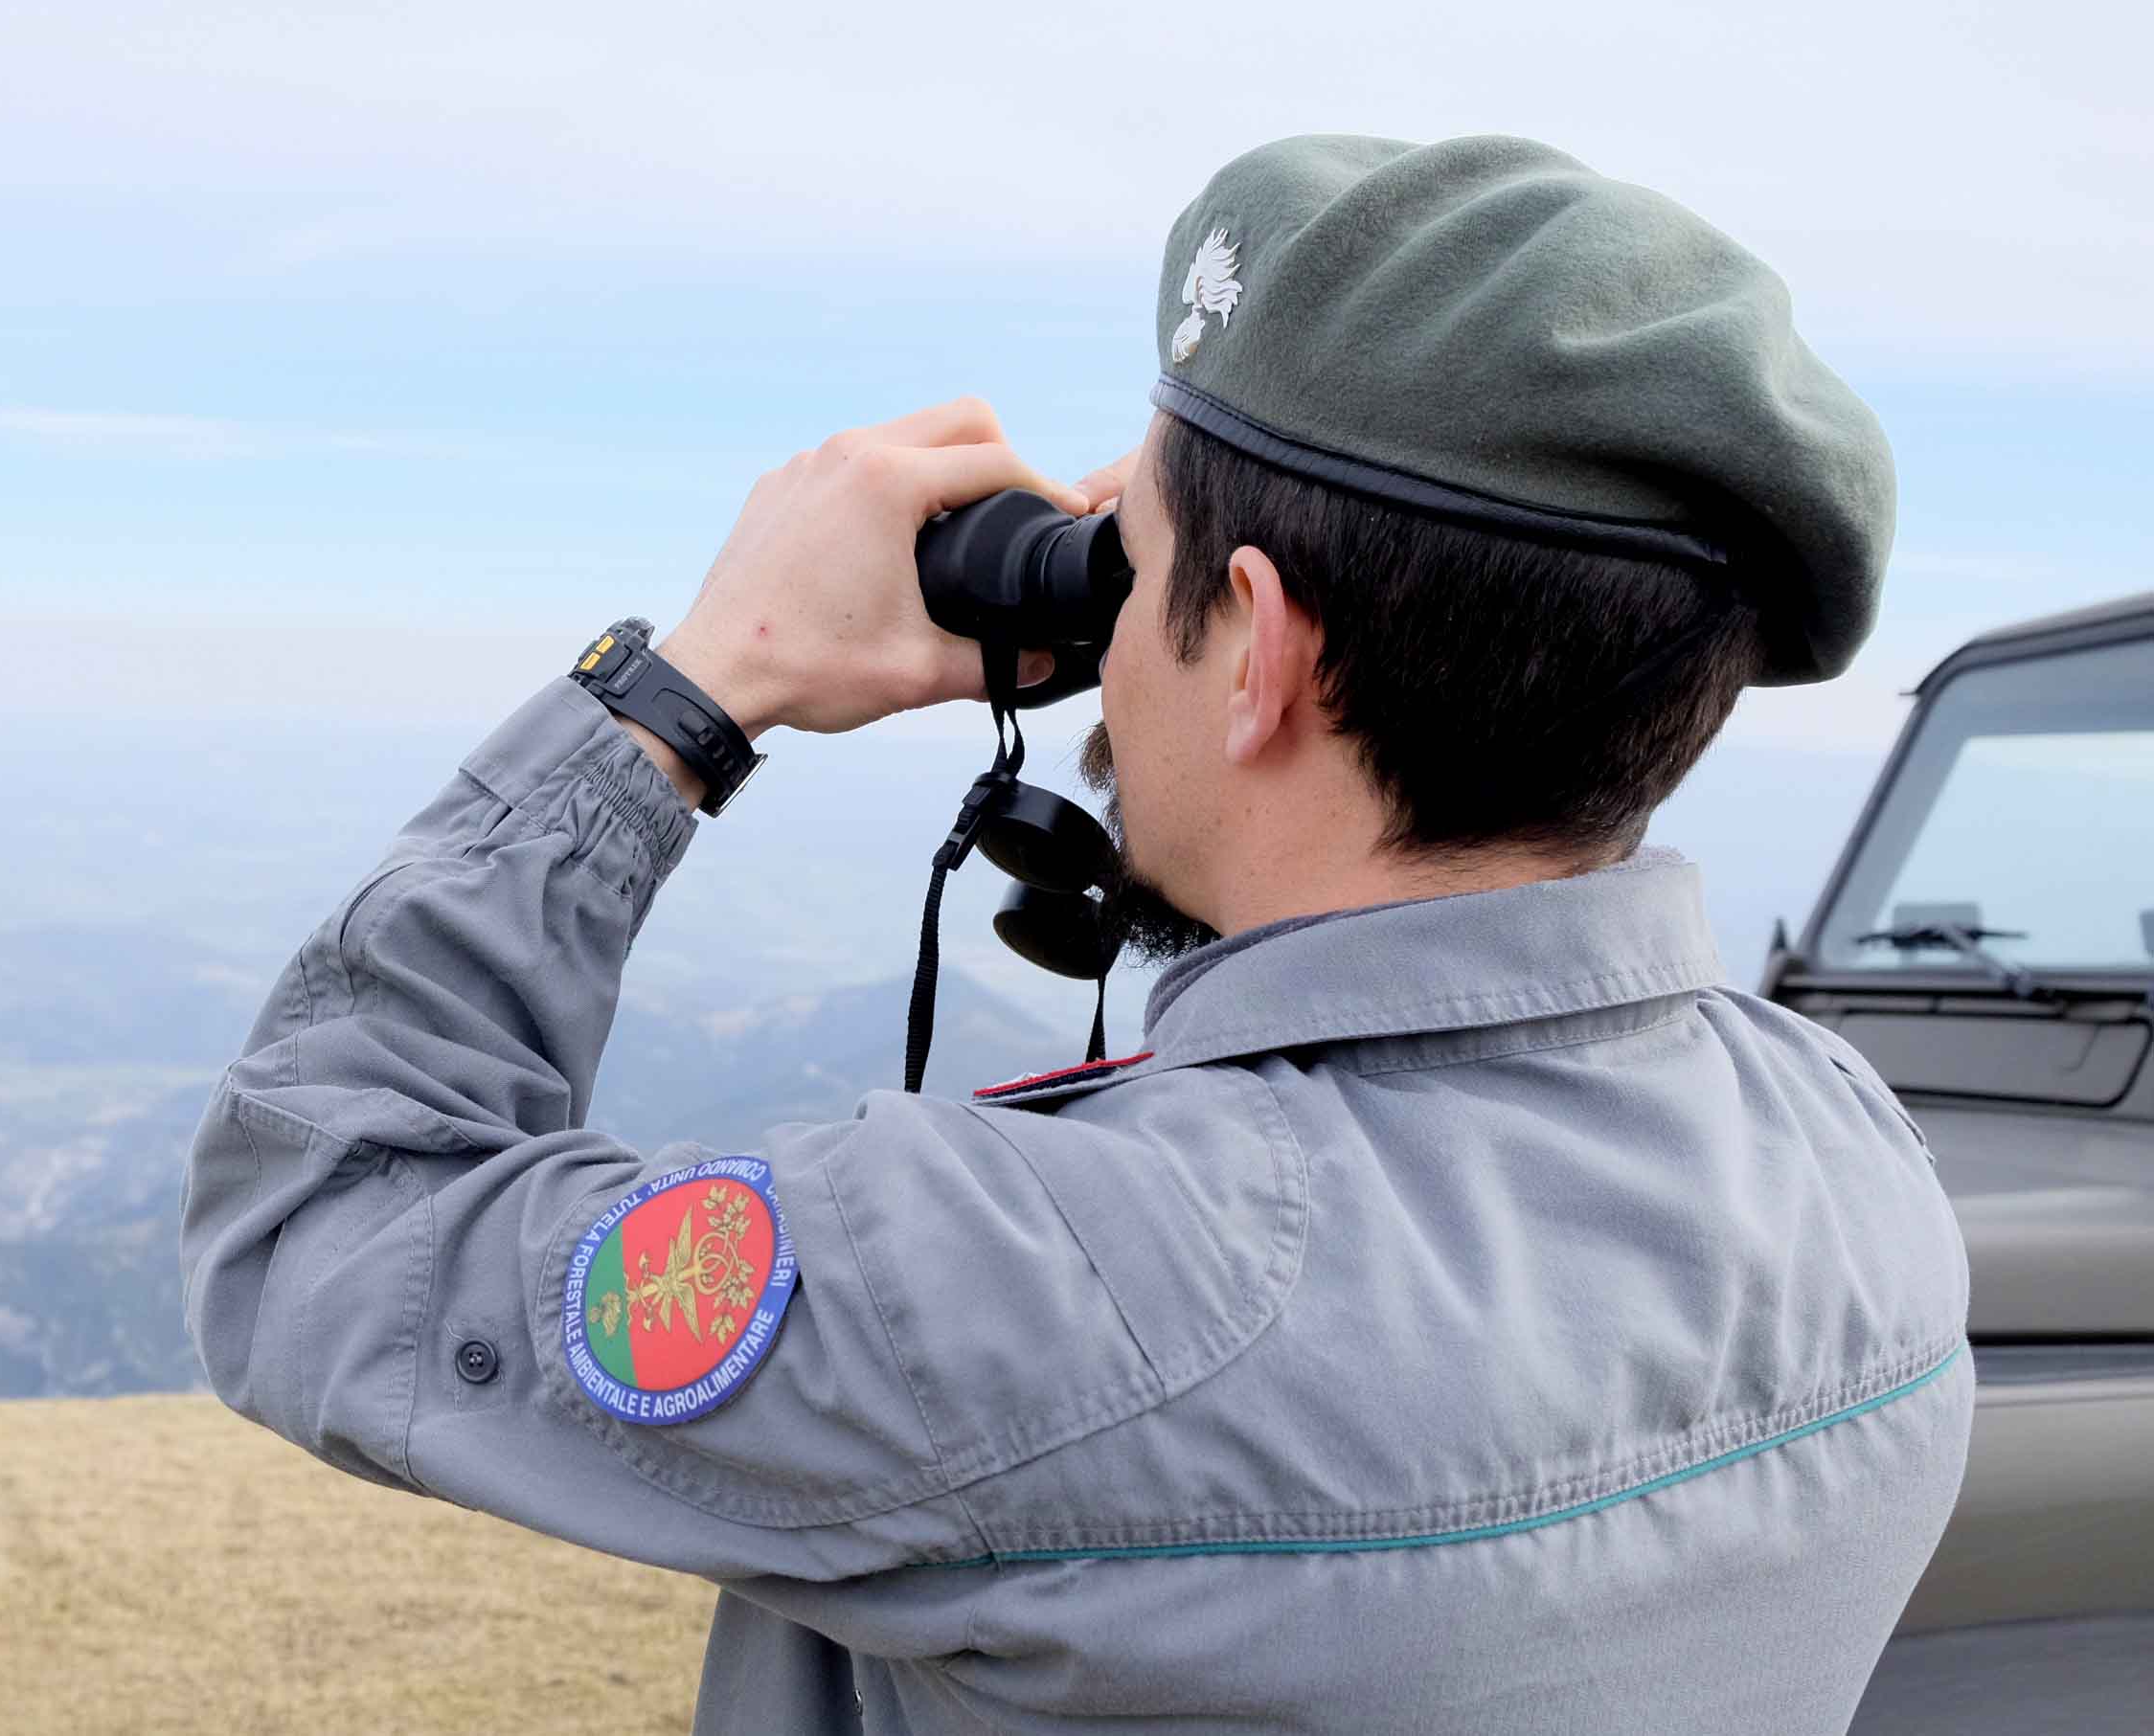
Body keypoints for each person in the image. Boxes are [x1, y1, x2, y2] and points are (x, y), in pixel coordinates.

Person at [181, 133, 1971, 1734]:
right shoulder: (1857, 1171)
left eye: (1141, 554)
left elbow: (317, 1221)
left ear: (1259, 650)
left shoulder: (1033, 1287)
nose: (1107, 630)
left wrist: (693, 687)